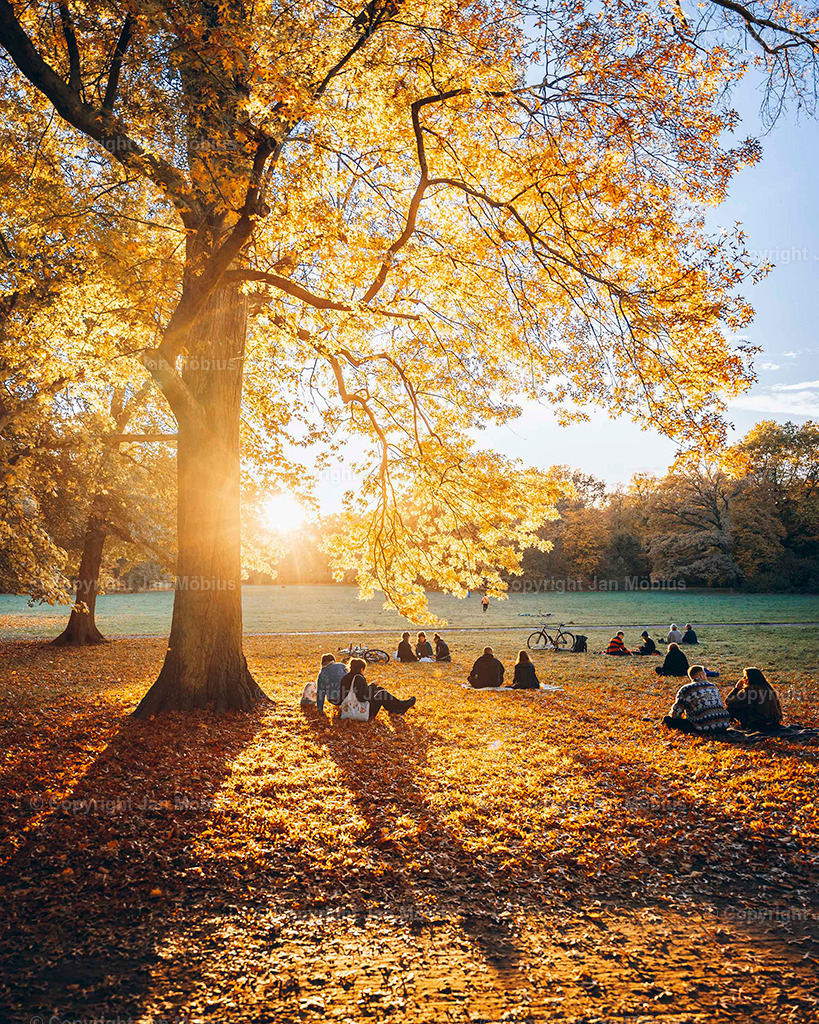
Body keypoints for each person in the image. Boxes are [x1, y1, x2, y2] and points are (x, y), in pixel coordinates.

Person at [663, 665, 731, 735]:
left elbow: (676, 713)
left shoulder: (686, 689)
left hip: (703, 726)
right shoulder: (713, 686)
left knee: (668, 720)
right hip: (723, 723)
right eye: (705, 674)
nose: (706, 677)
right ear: (701, 675)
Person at [339, 658, 416, 718]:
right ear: (361, 669)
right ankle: (400, 707)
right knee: (382, 694)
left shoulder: (346, 677)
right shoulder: (358, 678)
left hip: (349, 708)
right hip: (361, 711)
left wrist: (374, 687)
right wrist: (373, 685)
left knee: (379, 689)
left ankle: (395, 709)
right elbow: (363, 697)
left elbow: (358, 692)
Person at [725, 667, 783, 732]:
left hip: (759, 723)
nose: (743, 680)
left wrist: (736, 689)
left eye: (745, 677)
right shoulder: (769, 689)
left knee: (730, 708)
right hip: (774, 723)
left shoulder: (750, 690)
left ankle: (726, 726)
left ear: (750, 679)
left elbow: (729, 701)